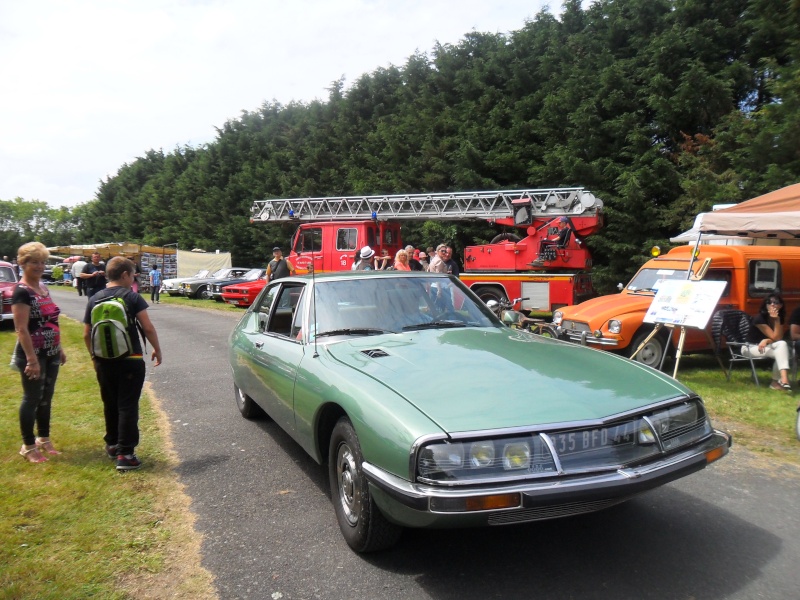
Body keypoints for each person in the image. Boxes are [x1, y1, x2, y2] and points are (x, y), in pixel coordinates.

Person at [83, 257, 163, 471]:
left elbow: (86, 333)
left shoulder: (95, 298)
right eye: (133, 274)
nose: (134, 277)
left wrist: (94, 356)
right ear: (125, 275)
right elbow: (147, 327)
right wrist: (157, 348)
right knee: (127, 404)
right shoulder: (132, 297)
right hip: (130, 358)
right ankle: (126, 454)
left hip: (103, 361)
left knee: (110, 402)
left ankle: (112, 444)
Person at [11, 242, 67, 463]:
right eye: (34, 262)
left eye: (42, 262)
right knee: (32, 398)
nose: (40, 266)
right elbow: (21, 329)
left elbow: (51, 320)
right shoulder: (21, 292)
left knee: (46, 397)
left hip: (51, 351)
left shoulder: (43, 287)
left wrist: (59, 348)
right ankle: (27, 445)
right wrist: (32, 360)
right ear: (23, 263)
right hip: (33, 355)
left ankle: (43, 438)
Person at [743, 293, 792, 391]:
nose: (772, 305)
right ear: (766, 305)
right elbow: (776, 337)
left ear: (781, 305)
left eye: (775, 302)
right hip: (750, 348)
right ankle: (779, 381)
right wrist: (771, 338)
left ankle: (782, 379)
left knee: (782, 345)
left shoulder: (779, 318)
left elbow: (778, 339)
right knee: (782, 351)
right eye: (769, 302)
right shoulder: (759, 318)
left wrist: (767, 339)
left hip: (767, 346)